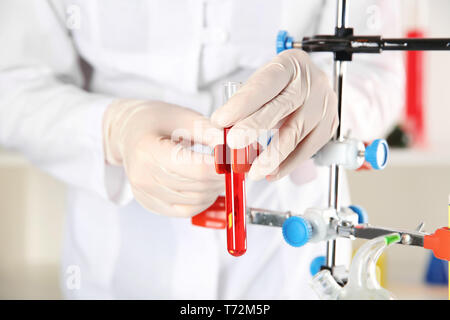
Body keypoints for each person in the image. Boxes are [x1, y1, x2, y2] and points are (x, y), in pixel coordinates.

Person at [0, 0, 404, 299]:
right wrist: (114, 130)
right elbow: (11, 85)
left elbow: (379, 71)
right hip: (117, 264)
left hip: (290, 262)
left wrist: (330, 103)